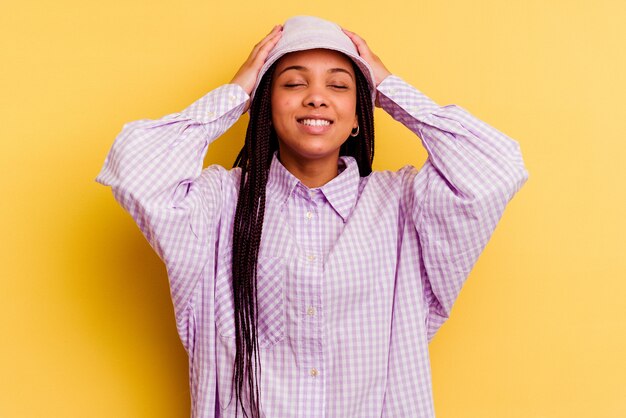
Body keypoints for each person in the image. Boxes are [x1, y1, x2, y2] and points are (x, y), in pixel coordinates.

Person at [96, 15, 529, 418]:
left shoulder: (403, 207)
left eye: (339, 86)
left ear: (361, 114)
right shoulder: (219, 205)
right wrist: (236, 93)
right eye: (293, 83)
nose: (317, 97)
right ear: (266, 106)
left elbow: (497, 167)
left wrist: (389, 89)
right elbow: (134, 168)